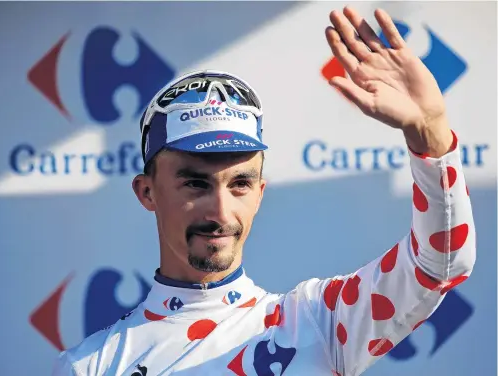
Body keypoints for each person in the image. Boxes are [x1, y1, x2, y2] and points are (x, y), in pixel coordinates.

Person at [52, 6, 476, 376]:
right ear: (147, 192)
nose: (220, 211)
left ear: (260, 193)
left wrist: (430, 134)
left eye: (240, 184)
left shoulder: (318, 322)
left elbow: (439, 265)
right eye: (195, 183)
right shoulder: (90, 365)